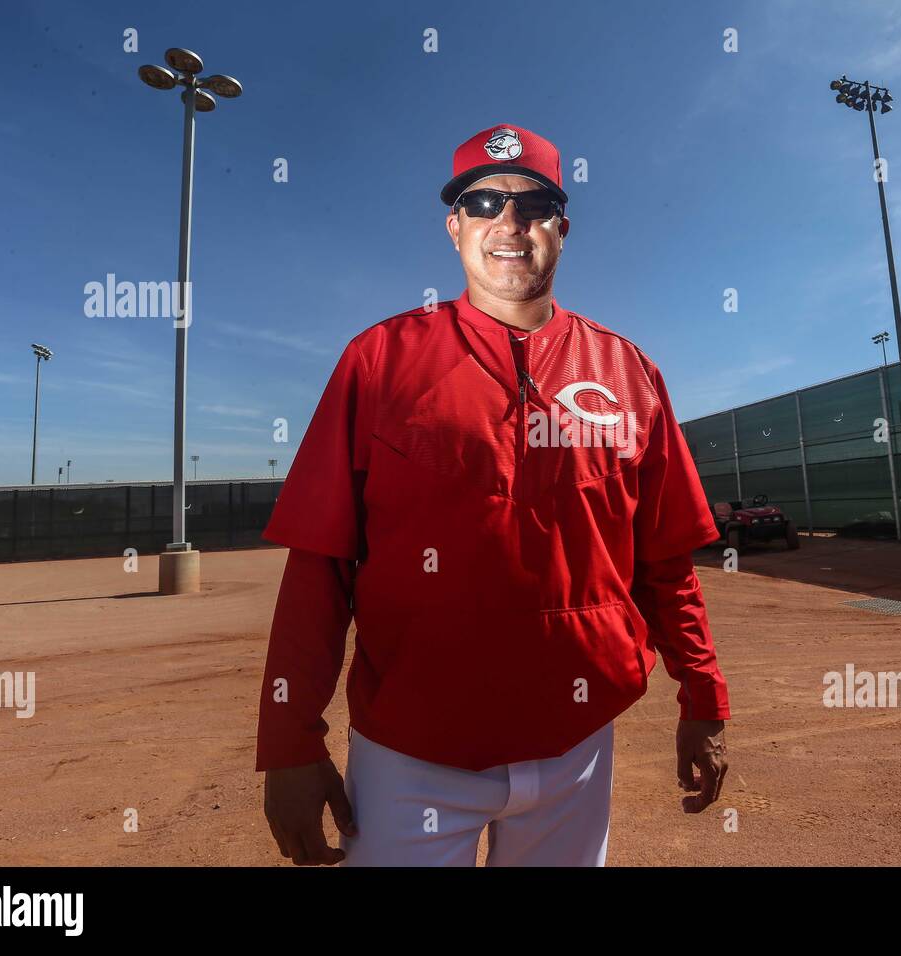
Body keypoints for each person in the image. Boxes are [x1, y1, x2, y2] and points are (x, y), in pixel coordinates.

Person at [256, 123, 730, 866]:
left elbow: (665, 563)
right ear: (454, 228)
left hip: (578, 746)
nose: (509, 223)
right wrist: (288, 740)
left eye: (533, 205)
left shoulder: (630, 370)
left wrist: (703, 698)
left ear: (562, 230)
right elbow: (319, 568)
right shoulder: (379, 360)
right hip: (410, 756)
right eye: (482, 203)